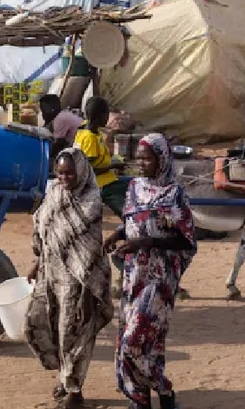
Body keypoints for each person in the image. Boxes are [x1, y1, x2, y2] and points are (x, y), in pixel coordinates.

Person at [104, 134, 196, 409]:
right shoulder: (133, 187)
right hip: (134, 275)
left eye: (147, 158)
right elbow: (133, 222)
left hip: (160, 278)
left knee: (135, 339)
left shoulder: (175, 194)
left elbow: (186, 240)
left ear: (162, 159)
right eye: (139, 158)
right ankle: (141, 398)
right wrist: (117, 234)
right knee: (147, 343)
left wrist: (147, 242)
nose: (141, 163)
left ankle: (163, 388)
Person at [25, 149, 113, 409]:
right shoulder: (54, 192)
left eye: (70, 173)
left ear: (82, 172)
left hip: (77, 282)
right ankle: (65, 378)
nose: (64, 177)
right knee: (37, 325)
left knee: (71, 335)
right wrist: (37, 262)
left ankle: (75, 392)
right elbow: (43, 227)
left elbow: (91, 253)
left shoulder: (90, 203)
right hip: (50, 273)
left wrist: (88, 295)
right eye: (60, 172)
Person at [74, 97, 122, 215]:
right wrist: (112, 166)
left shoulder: (87, 129)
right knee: (125, 202)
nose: (108, 118)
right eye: (107, 114)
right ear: (101, 116)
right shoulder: (90, 138)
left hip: (105, 179)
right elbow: (88, 171)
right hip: (100, 184)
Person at [40, 94, 83, 162]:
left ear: (51, 110)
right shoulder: (62, 115)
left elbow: (58, 144)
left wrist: (45, 156)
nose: (43, 115)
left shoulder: (60, 119)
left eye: (43, 111)